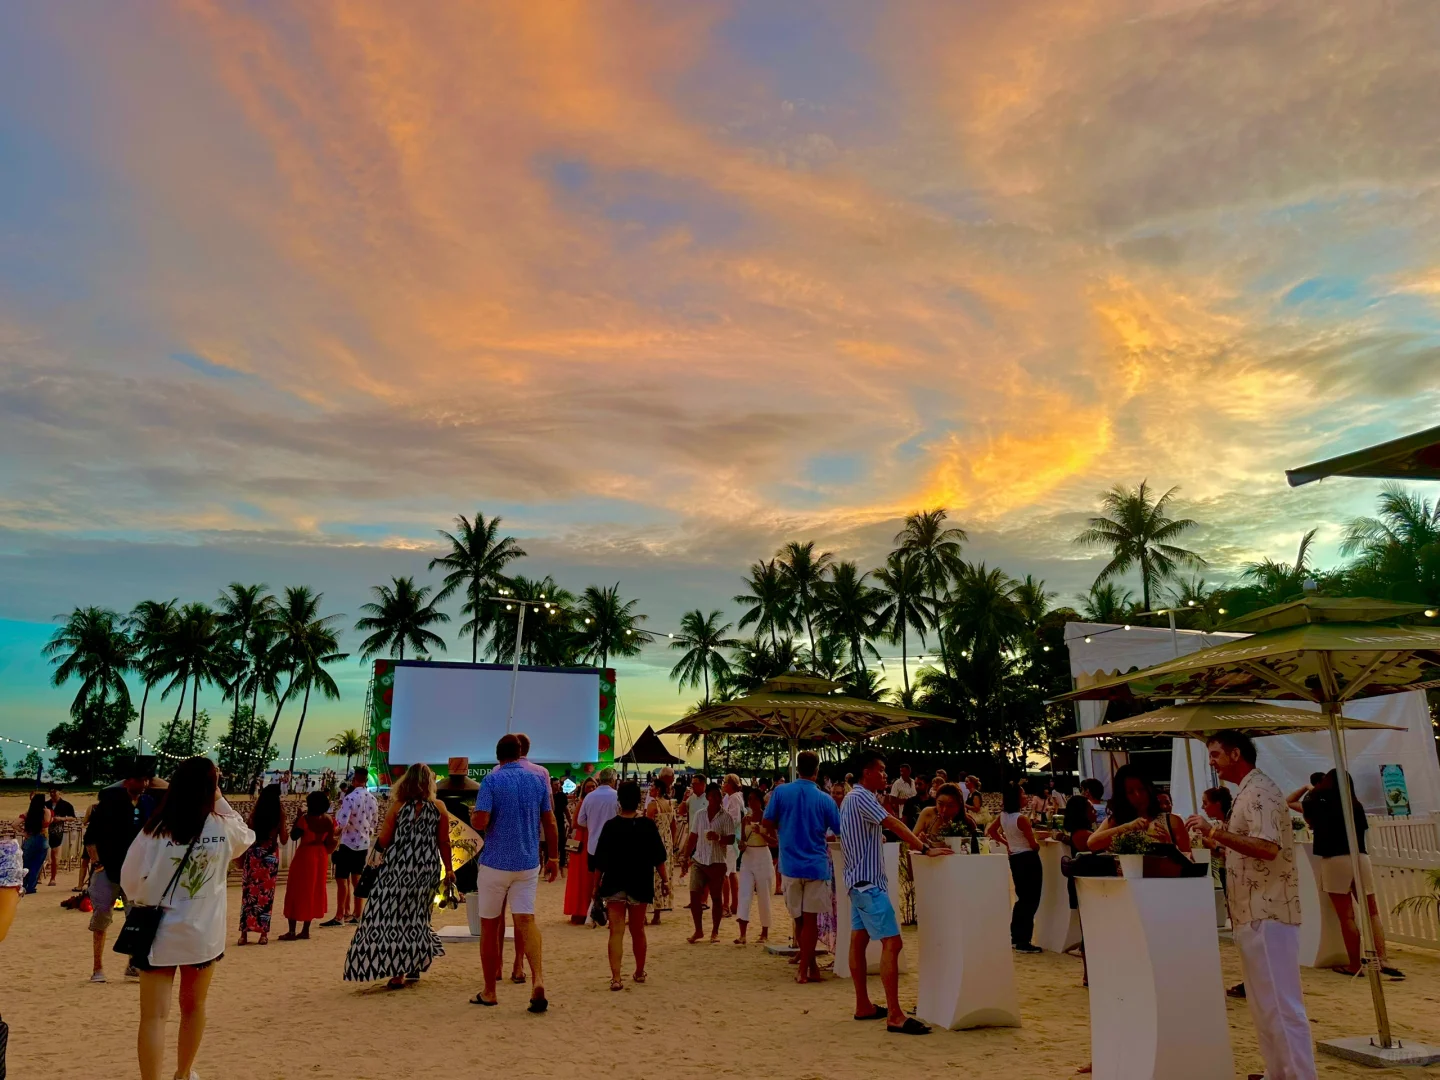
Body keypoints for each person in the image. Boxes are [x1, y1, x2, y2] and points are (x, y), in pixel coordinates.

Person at [1185, 733, 1316, 1080]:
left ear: (1235, 753)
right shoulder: (1249, 789)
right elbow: (1247, 848)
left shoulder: (1259, 790)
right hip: (1252, 911)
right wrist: (1219, 842)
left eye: (1215, 754)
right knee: (1264, 1006)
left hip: (1269, 910)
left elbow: (1267, 847)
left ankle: (1301, 1075)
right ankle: (1278, 1072)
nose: (1211, 761)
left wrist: (1215, 833)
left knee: (1282, 1005)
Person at [119, 756, 254, 1080]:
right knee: (193, 1008)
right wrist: (218, 797)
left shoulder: (155, 829)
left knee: (153, 1016)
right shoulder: (222, 828)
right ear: (212, 787)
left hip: (158, 932)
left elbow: (130, 880)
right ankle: (183, 1073)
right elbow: (245, 834)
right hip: (202, 933)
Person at [840, 749, 949, 1035]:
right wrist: (923, 847)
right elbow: (892, 822)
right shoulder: (863, 796)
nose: (885, 775)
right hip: (868, 883)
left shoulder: (853, 798)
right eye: (881, 769)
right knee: (893, 943)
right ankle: (895, 1015)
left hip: (857, 881)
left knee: (859, 941)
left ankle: (863, 1004)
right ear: (867, 772)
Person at [470, 732, 558, 1012]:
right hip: (527, 862)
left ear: (498, 755)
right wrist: (554, 856)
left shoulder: (491, 780)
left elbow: (482, 821)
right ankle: (538, 979)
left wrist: (474, 815)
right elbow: (550, 820)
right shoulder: (537, 779)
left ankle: (490, 990)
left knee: (489, 925)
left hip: (495, 862)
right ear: (520, 753)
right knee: (526, 921)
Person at [345, 763, 453, 989]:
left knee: (392, 917)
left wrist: (375, 860)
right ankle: (413, 963)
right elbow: (444, 841)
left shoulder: (398, 807)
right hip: (425, 870)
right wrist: (449, 869)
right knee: (418, 917)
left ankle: (398, 971)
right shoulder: (439, 808)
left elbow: (383, 840)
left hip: (396, 870)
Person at [1302, 769, 1402, 979]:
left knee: (1346, 915)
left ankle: (1354, 963)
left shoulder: (1319, 804)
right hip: (1360, 856)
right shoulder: (1355, 805)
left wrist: (1313, 789)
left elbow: (1305, 806)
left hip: (1335, 859)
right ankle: (1382, 958)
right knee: (1372, 911)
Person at [83, 760, 159, 982]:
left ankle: (132, 965)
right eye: (140, 779)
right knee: (101, 917)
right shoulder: (109, 802)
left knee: (135, 918)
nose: (144, 783)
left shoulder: (149, 803)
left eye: (147, 779)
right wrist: (97, 863)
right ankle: (97, 967)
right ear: (128, 781)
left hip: (136, 872)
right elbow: (91, 837)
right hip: (108, 869)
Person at [591, 779, 668, 990]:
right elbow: (658, 857)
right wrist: (666, 881)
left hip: (615, 881)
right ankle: (639, 972)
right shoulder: (647, 825)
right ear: (639, 800)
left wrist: (595, 885)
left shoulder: (610, 826)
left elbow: (600, 860)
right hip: (640, 882)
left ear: (619, 801)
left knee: (616, 931)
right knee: (637, 930)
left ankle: (616, 978)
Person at [987, 783, 1045, 953]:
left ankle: (1015, 936)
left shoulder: (1003, 816)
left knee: (1022, 898)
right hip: (1028, 857)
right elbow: (1033, 845)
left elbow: (991, 831)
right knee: (1031, 900)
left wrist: (1008, 843)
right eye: (1023, 794)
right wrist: (1034, 844)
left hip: (1015, 858)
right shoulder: (1021, 819)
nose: (1025, 796)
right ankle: (1024, 940)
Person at [1088, 765, 1192, 856]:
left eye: (1142, 789)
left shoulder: (1172, 821)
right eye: (1130, 792)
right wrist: (1127, 827)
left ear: (1149, 789)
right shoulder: (1117, 820)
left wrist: (1169, 847)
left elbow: (1189, 860)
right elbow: (1092, 843)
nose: (1138, 796)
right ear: (1123, 795)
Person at [324, 766, 378, 928]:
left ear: (354, 780)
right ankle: (357, 913)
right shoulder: (373, 799)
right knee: (357, 878)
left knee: (342, 879)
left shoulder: (349, 799)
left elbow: (342, 823)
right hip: (363, 843)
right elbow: (374, 823)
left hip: (348, 843)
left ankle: (340, 915)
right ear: (366, 780)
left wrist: (332, 833)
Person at [280, 791, 337, 940]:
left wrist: (297, 817)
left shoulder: (304, 820)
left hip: (305, 854)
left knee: (296, 889)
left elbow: (294, 836)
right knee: (313, 890)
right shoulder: (329, 820)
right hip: (321, 855)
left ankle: (292, 931)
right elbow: (330, 840)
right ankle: (305, 929)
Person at [683, 782, 735, 944]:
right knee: (694, 895)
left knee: (716, 897)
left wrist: (718, 837)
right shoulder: (700, 815)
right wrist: (685, 856)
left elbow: (732, 838)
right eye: (715, 796)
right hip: (700, 859)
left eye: (719, 795)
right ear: (708, 797)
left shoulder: (726, 816)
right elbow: (693, 837)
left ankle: (715, 931)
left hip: (717, 861)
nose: (718, 799)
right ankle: (698, 930)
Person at [237, 783, 285, 946]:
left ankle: (243, 935)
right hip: (270, 855)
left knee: (248, 895)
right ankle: (263, 934)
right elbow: (284, 839)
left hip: (254, 855)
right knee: (266, 896)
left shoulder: (255, 813)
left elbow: (248, 834)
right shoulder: (279, 814)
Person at [577, 768, 620, 922]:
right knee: (612, 881)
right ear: (613, 780)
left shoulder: (589, 797)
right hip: (613, 847)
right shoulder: (616, 796)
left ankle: (592, 912)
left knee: (594, 881)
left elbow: (580, 821)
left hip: (593, 845)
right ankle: (609, 913)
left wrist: (593, 824)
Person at [734, 788, 775, 945]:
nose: (751, 802)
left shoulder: (767, 818)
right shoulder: (745, 819)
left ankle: (764, 931)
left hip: (763, 855)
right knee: (744, 893)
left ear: (760, 801)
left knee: (764, 895)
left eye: (754, 799)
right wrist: (741, 845)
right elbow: (742, 840)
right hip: (748, 856)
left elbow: (774, 841)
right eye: (749, 799)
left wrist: (761, 833)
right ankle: (742, 934)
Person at [563, 777, 599, 924]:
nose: (591, 789)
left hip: (591, 839)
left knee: (590, 877)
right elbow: (575, 823)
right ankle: (578, 911)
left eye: (593, 787)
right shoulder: (582, 802)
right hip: (582, 841)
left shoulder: (594, 802)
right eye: (588, 787)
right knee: (580, 876)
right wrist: (591, 826)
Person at [644, 771, 677, 925]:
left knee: (650, 878)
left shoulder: (653, 805)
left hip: (654, 841)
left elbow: (647, 826)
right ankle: (657, 914)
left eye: (651, 787)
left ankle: (644, 913)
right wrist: (673, 842)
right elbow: (674, 826)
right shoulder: (670, 804)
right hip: (667, 842)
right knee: (663, 878)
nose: (649, 789)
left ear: (657, 789)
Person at [18, 793, 51, 895]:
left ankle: (23, 885)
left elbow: (14, 824)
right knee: (37, 865)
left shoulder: (29, 813)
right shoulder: (46, 812)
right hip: (42, 839)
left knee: (25, 863)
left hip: (30, 838)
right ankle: (31, 887)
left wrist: (23, 832)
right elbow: (47, 822)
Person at [721, 774, 744, 917]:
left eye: (724, 783)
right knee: (732, 872)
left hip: (730, 839)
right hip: (731, 838)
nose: (723, 785)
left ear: (730, 784)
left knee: (725, 872)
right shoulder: (732, 797)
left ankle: (726, 906)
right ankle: (734, 904)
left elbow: (735, 819)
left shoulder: (734, 798)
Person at [44, 786, 76, 887]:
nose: (52, 794)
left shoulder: (66, 805)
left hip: (57, 831)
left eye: (55, 792)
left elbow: (72, 818)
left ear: (59, 792)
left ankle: (53, 878)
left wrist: (62, 819)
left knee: (54, 855)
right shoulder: (45, 804)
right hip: (44, 831)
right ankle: (39, 877)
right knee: (42, 854)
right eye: (51, 792)